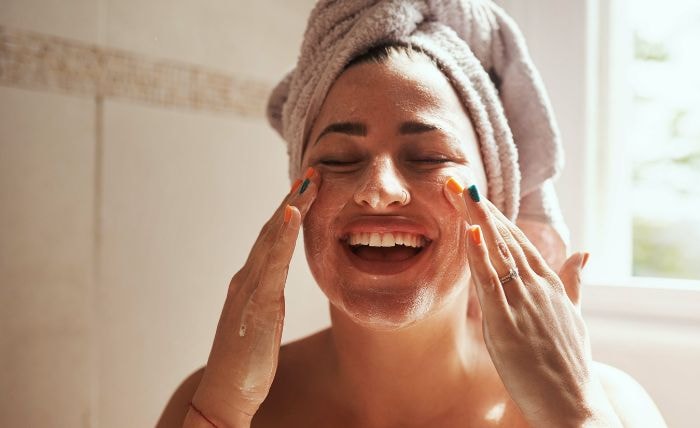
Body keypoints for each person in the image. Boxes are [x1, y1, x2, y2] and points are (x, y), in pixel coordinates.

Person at [158, 1, 666, 427]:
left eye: (429, 158)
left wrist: (575, 416)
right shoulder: (213, 404)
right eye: (338, 159)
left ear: (497, 196)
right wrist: (220, 412)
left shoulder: (612, 407)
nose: (378, 191)